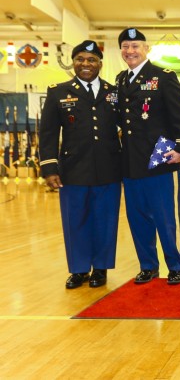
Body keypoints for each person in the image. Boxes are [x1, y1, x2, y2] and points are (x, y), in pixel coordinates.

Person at [39, 40, 121, 289]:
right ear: (73, 63)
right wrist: (50, 168)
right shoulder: (58, 92)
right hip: (73, 170)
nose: (85, 64)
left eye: (91, 60)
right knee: (75, 220)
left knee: (105, 220)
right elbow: (49, 133)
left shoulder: (113, 92)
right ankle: (79, 269)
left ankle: (101, 268)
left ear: (100, 64)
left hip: (108, 167)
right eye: (80, 59)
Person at [116, 28, 180, 286]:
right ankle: (148, 266)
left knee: (166, 218)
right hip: (129, 161)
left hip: (160, 159)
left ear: (146, 49)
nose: (130, 51)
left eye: (135, 46)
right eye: (126, 46)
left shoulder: (163, 76)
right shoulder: (120, 80)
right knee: (138, 219)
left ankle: (175, 265)